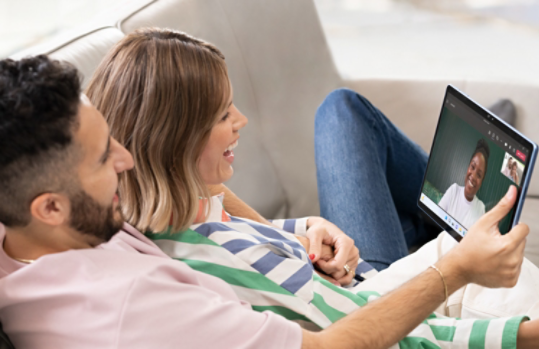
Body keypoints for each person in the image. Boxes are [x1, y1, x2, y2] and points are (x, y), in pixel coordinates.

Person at [81, 29, 539, 347]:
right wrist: (518, 332)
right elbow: (391, 336)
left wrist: (295, 234)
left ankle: (451, 193)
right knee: (497, 259)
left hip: (349, 283)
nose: (241, 121)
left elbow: (211, 208)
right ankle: (459, 188)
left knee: (342, 110)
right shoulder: (209, 269)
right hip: (371, 305)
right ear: (174, 144)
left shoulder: (149, 208)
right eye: (223, 115)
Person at [437, 139, 489, 230]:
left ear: (482, 181)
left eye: (479, 175)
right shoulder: (454, 190)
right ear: (468, 167)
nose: (473, 176)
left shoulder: (481, 209)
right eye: (472, 167)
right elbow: (435, 218)